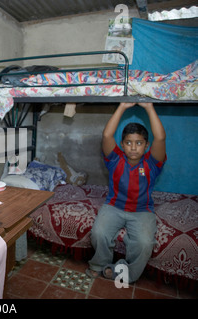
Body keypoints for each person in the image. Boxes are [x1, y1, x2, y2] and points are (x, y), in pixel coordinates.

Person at [86, 102, 166, 283]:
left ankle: (123, 272)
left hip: (142, 211)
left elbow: (160, 139)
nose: (133, 147)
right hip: (114, 206)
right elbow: (107, 135)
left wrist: (149, 108)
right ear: (122, 144)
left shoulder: (151, 163)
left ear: (146, 146)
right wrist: (122, 106)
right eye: (128, 143)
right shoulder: (115, 159)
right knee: (99, 233)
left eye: (139, 143)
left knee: (145, 243)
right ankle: (99, 264)